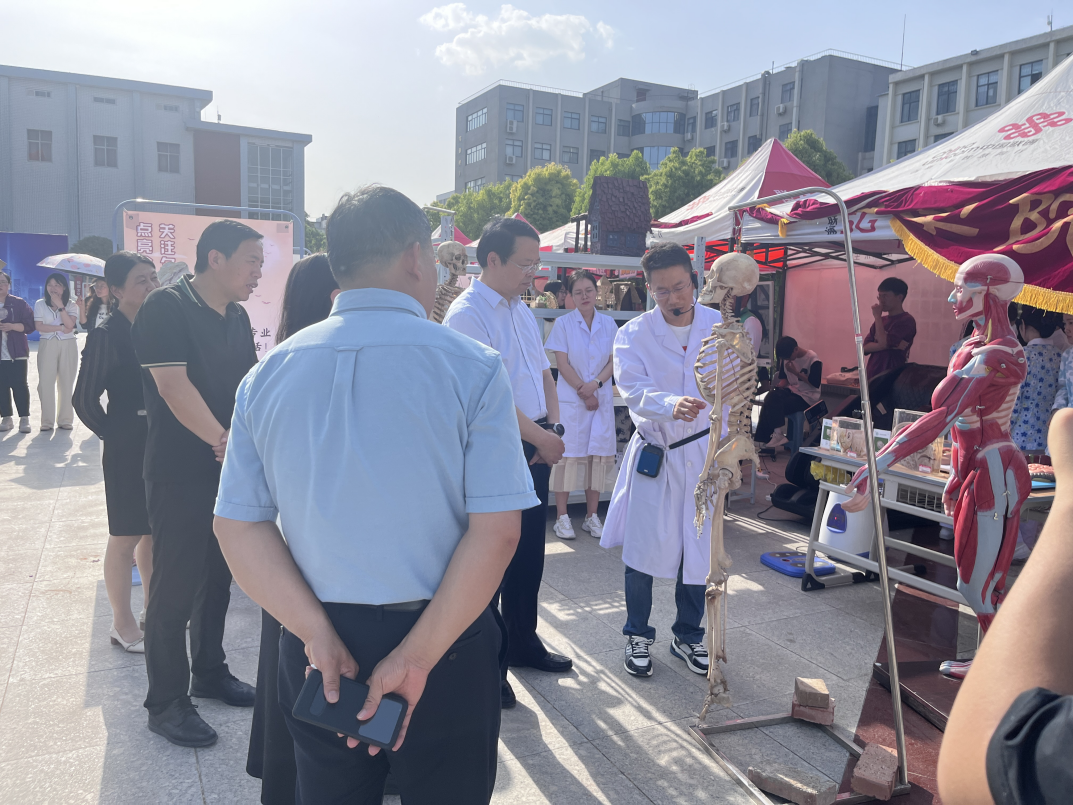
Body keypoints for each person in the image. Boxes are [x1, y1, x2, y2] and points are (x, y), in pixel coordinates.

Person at [214, 185, 535, 803]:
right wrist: (416, 658)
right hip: (445, 637)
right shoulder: (471, 366)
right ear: (415, 256)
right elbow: (498, 533)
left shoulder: (267, 375)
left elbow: (237, 526)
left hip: (319, 643)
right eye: (435, 258)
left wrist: (314, 632)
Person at [132, 219, 261, 747]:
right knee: (175, 586)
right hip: (179, 471)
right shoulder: (166, 307)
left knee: (218, 576)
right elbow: (171, 386)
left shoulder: (237, 315)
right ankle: (166, 702)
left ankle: (209, 670)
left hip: (225, 467)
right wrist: (223, 440)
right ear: (215, 258)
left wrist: (245, 443)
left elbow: (248, 385)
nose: (258, 273)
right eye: (251, 261)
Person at [443, 216, 573, 710]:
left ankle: (523, 642)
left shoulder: (522, 309)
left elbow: (544, 373)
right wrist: (540, 437)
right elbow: (488, 396)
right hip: (499, 445)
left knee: (528, 555)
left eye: (536, 264)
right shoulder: (467, 315)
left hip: (538, 441)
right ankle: (489, 666)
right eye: (524, 264)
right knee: (493, 558)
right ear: (492, 259)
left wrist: (553, 430)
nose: (532, 273)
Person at [937, 408, 1073, 805]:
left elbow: (979, 767)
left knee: (976, 584)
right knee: (978, 580)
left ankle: (992, 664)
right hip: (990, 470)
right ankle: (991, 660)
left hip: (993, 471)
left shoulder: (982, 374)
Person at [601, 242, 719, 679]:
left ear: (695, 281)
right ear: (649, 289)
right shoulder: (633, 334)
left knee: (698, 550)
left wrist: (731, 448)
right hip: (658, 450)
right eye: (663, 290)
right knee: (643, 550)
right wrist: (671, 404)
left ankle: (688, 634)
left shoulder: (718, 327)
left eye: (681, 287)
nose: (674, 297)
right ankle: (637, 633)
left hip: (704, 454)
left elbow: (733, 389)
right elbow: (632, 389)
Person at [246, 253, 338, 805]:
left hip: (282, 547)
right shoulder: (327, 367)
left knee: (285, 660)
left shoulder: (275, 368)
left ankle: (282, 779)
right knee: (323, 666)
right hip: (325, 548)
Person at [73, 252, 159, 652]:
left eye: (153, 278)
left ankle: (154, 612)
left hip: (159, 442)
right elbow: (83, 399)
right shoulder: (106, 335)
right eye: (142, 280)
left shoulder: (158, 327)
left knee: (152, 533)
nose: (152, 286)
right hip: (127, 446)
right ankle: (122, 623)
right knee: (125, 536)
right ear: (117, 290)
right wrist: (115, 433)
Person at [543, 270, 616, 540]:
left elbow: (614, 361)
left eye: (588, 291)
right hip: (573, 401)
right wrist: (584, 392)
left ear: (596, 292)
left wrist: (595, 385)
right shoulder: (563, 324)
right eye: (578, 292)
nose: (584, 296)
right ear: (570, 296)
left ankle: (591, 516)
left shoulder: (609, 324)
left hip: (599, 398)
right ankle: (562, 517)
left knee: (596, 457)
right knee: (568, 457)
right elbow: (562, 365)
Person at [754, 336, 822, 449]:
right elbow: (785, 379)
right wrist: (780, 385)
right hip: (793, 391)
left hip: (807, 397)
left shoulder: (812, 359)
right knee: (771, 396)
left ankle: (772, 437)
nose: (788, 360)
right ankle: (765, 439)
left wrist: (796, 372)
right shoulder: (785, 358)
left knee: (773, 403)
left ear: (796, 349)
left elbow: (815, 383)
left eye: (788, 357)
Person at [34, 272, 79, 431]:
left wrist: (60, 306)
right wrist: (60, 328)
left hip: (68, 345)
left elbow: (70, 326)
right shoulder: (40, 304)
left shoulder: (72, 305)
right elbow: (39, 326)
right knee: (45, 383)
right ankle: (47, 421)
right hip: (47, 344)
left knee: (66, 382)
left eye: (57, 285)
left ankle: (65, 420)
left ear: (64, 287)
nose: (53, 288)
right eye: (50, 285)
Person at [0, 270, 36, 433]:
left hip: (17, 351)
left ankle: (24, 418)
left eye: (3, 282)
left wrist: (12, 326)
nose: (0, 285)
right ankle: (6, 418)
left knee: (20, 384)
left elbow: (30, 326)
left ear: (9, 285)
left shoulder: (19, 303)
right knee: (1, 386)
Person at [863, 276, 916, 377]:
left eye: (885, 296)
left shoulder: (906, 320)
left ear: (899, 297)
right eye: (880, 296)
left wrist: (877, 317)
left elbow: (883, 343)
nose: (881, 300)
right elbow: (864, 348)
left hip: (891, 376)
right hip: (872, 374)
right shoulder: (881, 320)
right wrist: (888, 345)